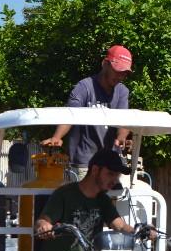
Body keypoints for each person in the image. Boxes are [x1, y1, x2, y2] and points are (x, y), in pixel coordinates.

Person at [41, 45, 134, 180]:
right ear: (105, 64)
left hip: (110, 165)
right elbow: (70, 114)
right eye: (117, 70)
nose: (121, 76)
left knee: (110, 201)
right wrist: (57, 136)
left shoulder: (122, 91)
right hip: (84, 163)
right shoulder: (84, 87)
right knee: (86, 200)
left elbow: (123, 121)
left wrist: (121, 139)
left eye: (125, 73)